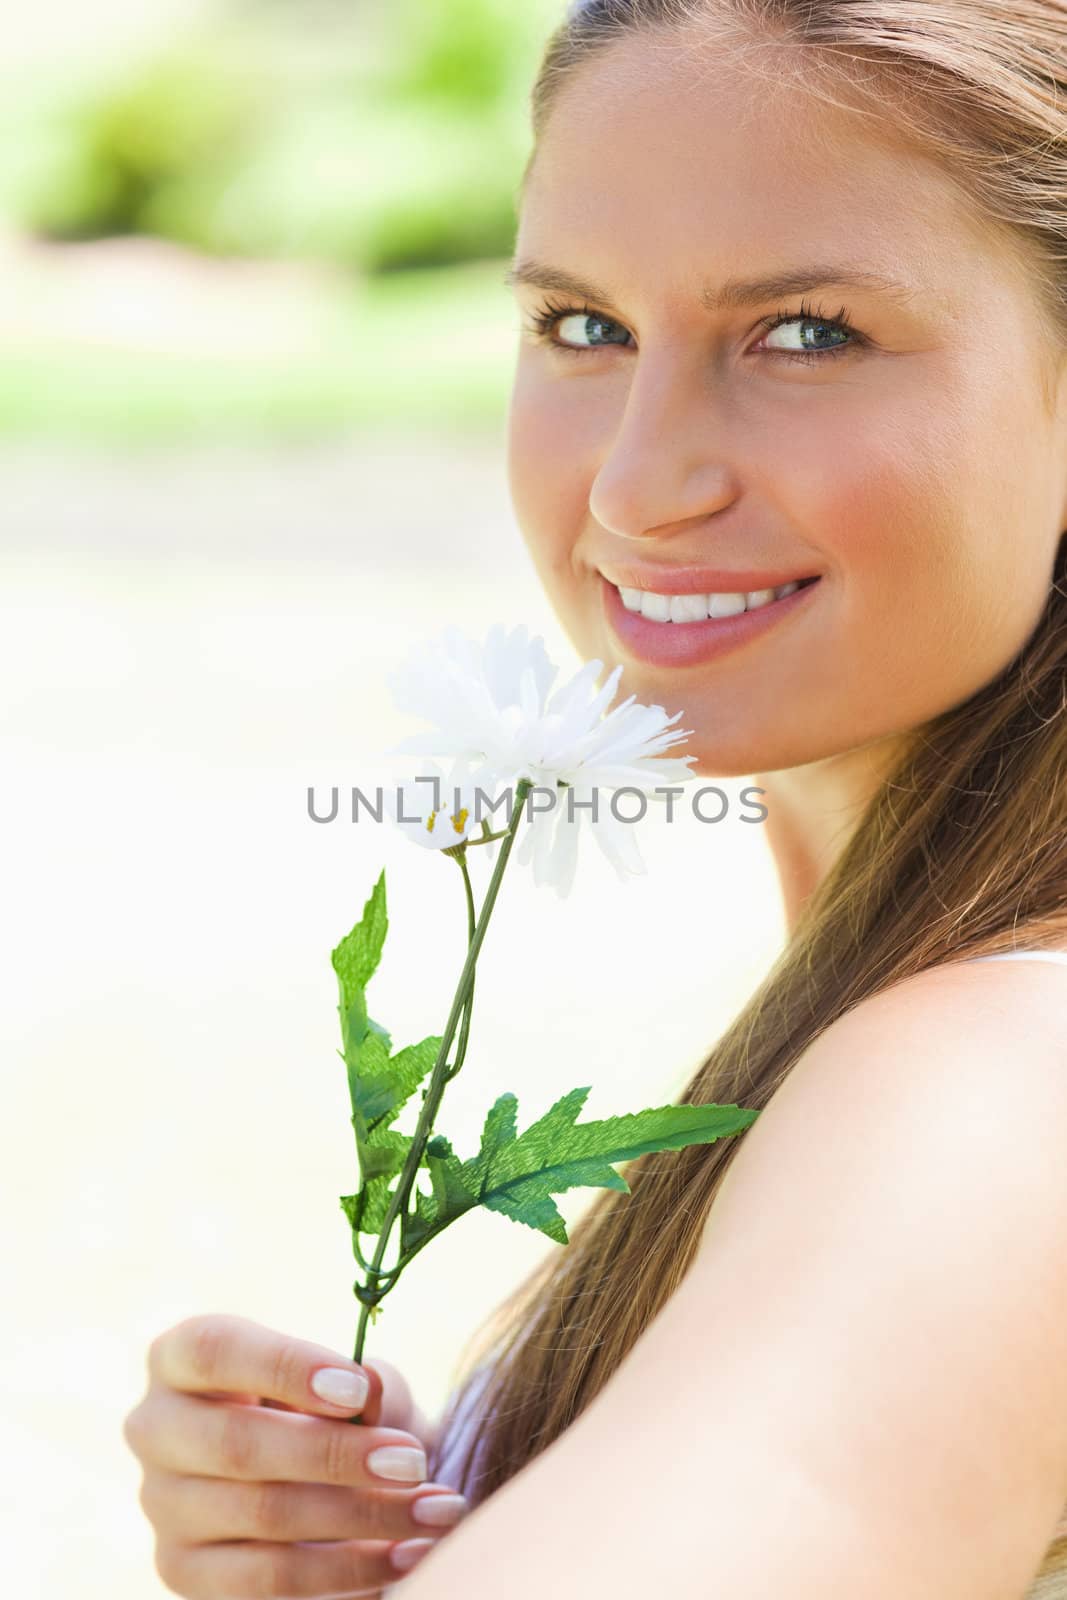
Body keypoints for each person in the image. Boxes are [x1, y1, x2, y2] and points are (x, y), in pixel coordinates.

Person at [123, 1, 1067, 1595]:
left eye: (809, 333)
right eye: (582, 327)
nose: (637, 485)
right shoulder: (899, 1010)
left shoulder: (996, 1086)